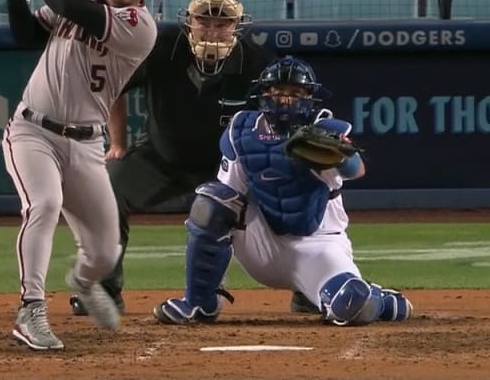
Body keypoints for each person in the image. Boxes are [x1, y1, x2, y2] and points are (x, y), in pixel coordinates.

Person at [152, 56, 414, 327]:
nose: (286, 100)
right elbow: (228, 193)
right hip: (261, 241)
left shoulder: (325, 130)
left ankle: (380, 299)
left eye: (295, 93)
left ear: (310, 96)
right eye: (279, 92)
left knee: (351, 305)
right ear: (264, 94)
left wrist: (340, 153)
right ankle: (199, 304)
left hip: (317, 246)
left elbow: (355, 170)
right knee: (211, 201)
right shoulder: (242, 131)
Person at [67, 0, 275, 317]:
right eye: (203, 21)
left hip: (228, 168)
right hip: (161, 158)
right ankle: (104, 289)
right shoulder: (160, 48)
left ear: (237, 25)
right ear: (188, 21)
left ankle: (307, 287)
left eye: (222, 23)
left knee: (291, 189)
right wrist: (117, 142)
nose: (212, 30)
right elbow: (113, 87)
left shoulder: (258, 63)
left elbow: (275, 116)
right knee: (105, 190)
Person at [0, 0, 160, 350]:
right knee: (45, 205)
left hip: (87, 144)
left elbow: (77, 11)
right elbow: (25, 36)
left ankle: (85, 283)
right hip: (33, 130)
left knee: (107, 252)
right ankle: (30, 308)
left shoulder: (140, 27)